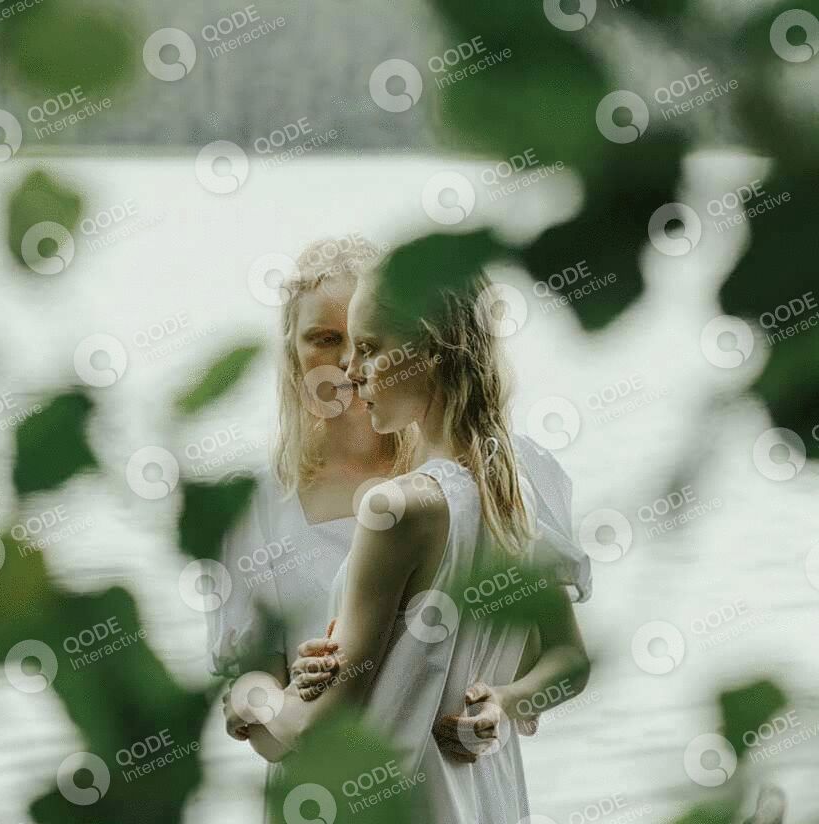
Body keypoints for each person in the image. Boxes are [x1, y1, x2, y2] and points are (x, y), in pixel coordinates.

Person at [229, 242, 591, 823]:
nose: (351, 369)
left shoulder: (397, 507)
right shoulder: (508, 491)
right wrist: (500, 700)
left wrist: (256, 705)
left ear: (428, 350)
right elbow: (570, 657)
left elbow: (324, 719)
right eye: (329, 339)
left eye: (369, 347)